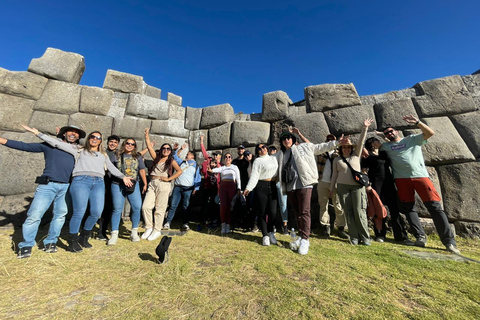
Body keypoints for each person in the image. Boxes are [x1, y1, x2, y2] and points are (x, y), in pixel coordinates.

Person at [21, 125, 133, 252]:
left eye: (98, 137)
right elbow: (56, 144)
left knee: (96, 212)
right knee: (79, 212)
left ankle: (84, 236)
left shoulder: (103, 155)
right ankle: (72, 240)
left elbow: (111, 168)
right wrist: (38, 133)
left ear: (100, 141)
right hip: (81, 181)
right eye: (92, 136)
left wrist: (123, 177)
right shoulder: (78, 150)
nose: (95, 139)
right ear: (88, 139)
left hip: (98, 183)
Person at [380, 115, 460, 254]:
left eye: (391, 131)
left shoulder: (411, 139)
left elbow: (430, 133)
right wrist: (380, 136)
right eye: (387, 133)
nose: (390, 133)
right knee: (408, 208)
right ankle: (420, 237)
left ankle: (449, 242)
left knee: (435, 207)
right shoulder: (386, 146)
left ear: (397, 131)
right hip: (401, 179)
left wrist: (418, 122)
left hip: (421, 177)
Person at [2, 125, 85, 258]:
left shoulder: (79, 151)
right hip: (48, 185)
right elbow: (24, 146)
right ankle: (26, 245)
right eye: (70, 132)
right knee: (34, 214)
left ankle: (51, 242)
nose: (73, 134)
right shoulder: (49, 146)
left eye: (76, 133)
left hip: (67, 187)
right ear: (64, 134)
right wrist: (2, 140)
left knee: (60, 215)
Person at [276, 127, 346, 255]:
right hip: (290, 186)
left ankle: (305, 239)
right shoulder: (281, 155)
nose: (286, 140)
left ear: (293, 139)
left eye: (288, 138)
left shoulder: (304, 147)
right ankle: (301, 235)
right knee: (297, 212)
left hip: (304, 184)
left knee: (304, 211)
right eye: (284, 139)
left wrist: (336, 143)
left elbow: (321, 147)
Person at [330, 118, 373, 246]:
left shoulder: (356, 156)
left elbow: (361, 142)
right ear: (341, 149)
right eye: (344, 148)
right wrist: (332, 189)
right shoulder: (337, 160)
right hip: (343, 188)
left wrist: (364, 128)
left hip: (357, 187)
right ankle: (354, 236)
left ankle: (365, 237)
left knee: (359, 212)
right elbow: (334, 175)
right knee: (348, 212)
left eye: (348, 147)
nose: (346, 149)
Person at [362, 137, 412, 244]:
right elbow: (364, 170)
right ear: (372, 143)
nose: (380, 141)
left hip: (388, 183)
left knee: (394, 209)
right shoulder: (367, 156)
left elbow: (392, 145)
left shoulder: (384, 154)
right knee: (378, 208)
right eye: (377, 140)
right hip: (375, 183)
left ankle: (401, 236)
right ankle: (380, 234)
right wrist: (367, 184)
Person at [141, 128, 182, 241]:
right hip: (152, 183)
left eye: (168, 149)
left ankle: (157, 230)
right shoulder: (156, 158)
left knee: (160, 208)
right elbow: (149, 147)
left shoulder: (171, 161)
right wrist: (147, 135)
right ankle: (149, 227)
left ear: (170, 151)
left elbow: (179, 171)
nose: (166, 150)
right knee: (146, 206)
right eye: (164, 148)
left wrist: (169, 178)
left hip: (163, 184)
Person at [107, 138, 148, 245]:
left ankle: (134, 231)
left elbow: (142, 170)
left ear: (134, 146)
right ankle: (114, 233)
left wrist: (145, 183)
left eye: (132, 144)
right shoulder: (116, 155)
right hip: (117, 184)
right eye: (127, 143)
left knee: (137, 207)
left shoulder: (137, 157)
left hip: (133, 185)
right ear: (124, 144)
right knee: (117, 209)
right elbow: (109, 167)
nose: (129, 145)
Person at [244, 143, 279, 246]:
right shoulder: (257, 161)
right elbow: (254, 176)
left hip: (272, 185)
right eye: (259, 149)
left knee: (273, 212)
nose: (262, 149)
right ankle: (265, 235)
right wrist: (248, 188)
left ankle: (271, 232)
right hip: (261, 186)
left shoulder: (274, 158)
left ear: (267, 148)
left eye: (263, 147)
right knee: (262, 212)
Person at [163, 143, 201, 231]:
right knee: (173, 204)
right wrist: (179, 149)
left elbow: (197, 177)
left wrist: (196, 188)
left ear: (192, 157)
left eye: (188, 154)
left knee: (186, 206)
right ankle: (167, 222)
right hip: (178, 187)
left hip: (188, 188)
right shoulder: (182, 162)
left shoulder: (196, 166)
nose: (187, 155)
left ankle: (185, 223)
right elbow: (174, 156)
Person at [316, 134, 348, 239]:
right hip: (322, 181)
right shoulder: (320, 151)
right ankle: (325, 227)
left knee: (338, 205)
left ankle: (341, 227)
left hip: (336, 183)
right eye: (328, 139)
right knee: (323, 205)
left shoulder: (339, 153)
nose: (330, 140)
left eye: (332, 139)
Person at [97, 134, 121, 240]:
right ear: (107, 143)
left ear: (118, 144)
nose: (113, 144)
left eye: (115, 142)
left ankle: (102, 232)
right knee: (94, 207)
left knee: (108, 208)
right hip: (101, 181)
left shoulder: (120, 154)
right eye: (111, 141)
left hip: (113, 183)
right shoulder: (102, 152)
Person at [211, 153, 241, 235]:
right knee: (223, 206)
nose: (228, 158)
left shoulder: (234, 167)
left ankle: (228, 224)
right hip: (223, 187)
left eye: (229, 157)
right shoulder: (222, 168)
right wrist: (211, 170)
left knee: (230, 206)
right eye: (226, 157)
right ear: (224, 159)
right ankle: (223, 224)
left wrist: (239, 188)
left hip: (232, 186)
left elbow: (238, 178)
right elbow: (215, 170)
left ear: (231, 159)